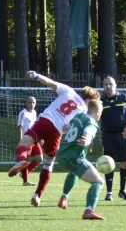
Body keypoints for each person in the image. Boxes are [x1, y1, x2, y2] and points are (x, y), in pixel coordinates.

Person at [7, 71, 100, 207]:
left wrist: (36, 75)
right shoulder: (83, 110)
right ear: (88, 100)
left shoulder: (69, 91)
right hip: (56, 132)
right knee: (48, 163)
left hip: (45, 120)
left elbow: (50, 83)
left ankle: (20, 161)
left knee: (24, 143)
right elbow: (73, 127)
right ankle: (38, 195)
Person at [56, 100, 105, 220]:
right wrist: (87, 140)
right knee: (98, 181)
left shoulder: (79, 115)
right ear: (98, 112)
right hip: (74, 158)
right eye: (101, 112)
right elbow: (88, 131)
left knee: (74, 172)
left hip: (61, 155)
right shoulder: (92, 123)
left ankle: (64, 197)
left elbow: (67, 127)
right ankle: (89, 210)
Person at [99, 76, 126, 201]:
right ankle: (109, 192)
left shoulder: (124, 98)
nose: (108, 86)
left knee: (125, 162)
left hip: (123, 135)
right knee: (108, 163)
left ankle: (123, 190)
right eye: (106, 84)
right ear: (103, 86)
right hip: (107, 135)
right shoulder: (100, 101)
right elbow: (94, 117)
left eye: (110, 84)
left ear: (115, 85)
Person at [16, 97, 42, 186]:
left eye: (33, 102)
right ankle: (25, 181)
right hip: (25, 140)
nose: (32, 104)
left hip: (34, 140)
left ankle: (24, 173)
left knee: (39, 158)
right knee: (25, 160)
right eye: (30, 102)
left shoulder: (34, 113)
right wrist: (20, 141)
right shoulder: (23, 113)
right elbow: (19, 127)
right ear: (26, 103)